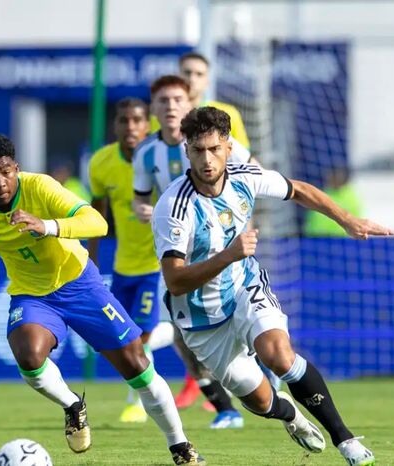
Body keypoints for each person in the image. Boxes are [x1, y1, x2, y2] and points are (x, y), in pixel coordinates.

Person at [0, 134, 205, 465]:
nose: (0, 181)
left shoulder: (41, 188)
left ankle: (180, 446)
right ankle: (73, 405)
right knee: (28, 357)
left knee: (137, 366)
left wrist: (46, 225)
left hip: (80, 284)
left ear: (17, 168)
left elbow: (97, 223)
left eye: (6, 171)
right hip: (32, 295)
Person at [153, 107, 392, 465]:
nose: (207, 159)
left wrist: (348, 220)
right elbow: (174, 280)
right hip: (201, 318)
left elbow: (299, 190)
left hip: (243, 288)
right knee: (261, 402)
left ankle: (346, 441)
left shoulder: (246, 177)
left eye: (214, 149)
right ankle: (292, 417)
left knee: (279, 355)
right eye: (198, 150)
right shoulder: (173, 206)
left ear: (228, 148)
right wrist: (229, 255)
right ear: (186, 150)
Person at [133, 74, 249, 429]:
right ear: (153, 109)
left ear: (189, 104)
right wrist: (144, 211)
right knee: (182, 330)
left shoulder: (220, 145)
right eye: (163, 101)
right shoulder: (147, 153)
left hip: (224, 249)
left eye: (177, 100)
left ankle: (271, 375)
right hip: (175, 254)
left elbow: (251, 180)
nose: (170, 107)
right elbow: (140, 198)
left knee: (244, 321)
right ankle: (225, 407)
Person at [87, 97, 156, 423]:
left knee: (139, 337)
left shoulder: (161, 158)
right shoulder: (101, 163)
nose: (130, 126)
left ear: (148, 124)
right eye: (124, 120)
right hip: (123, 265)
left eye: (137, 120)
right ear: (115, 125)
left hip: (160, 264)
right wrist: (91, 262)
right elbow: (96, 215)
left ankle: (138, 402)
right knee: (128, 337)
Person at [150, 51, 250, 150]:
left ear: (207, 81)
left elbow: (245, 158)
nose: (192, 79)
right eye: (187, 72)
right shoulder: (159, 115)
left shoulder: (229, 113)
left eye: (199, 74)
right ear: (177, 77)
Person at [304, 167, 363, 237]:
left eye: (336, 177)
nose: (332, 180)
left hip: (340, 239)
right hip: (316, 238)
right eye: (331, 177)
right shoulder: (322, 193)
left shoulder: (350, 198)